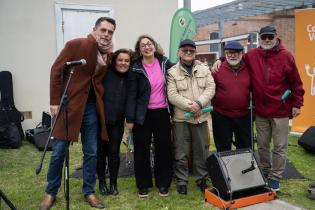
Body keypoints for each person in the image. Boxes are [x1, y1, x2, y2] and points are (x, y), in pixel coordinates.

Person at [212, 26, 304, 192]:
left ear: (276, 37)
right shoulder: (252, 55)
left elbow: (296, 83)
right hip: (260, 111)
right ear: (260, 39)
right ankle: (264, 171)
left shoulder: (286, 56)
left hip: (281, 111)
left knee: (279, 147)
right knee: (262, 145)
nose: (267, 40)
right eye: (264, 37)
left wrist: (297, 104)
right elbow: (235, 57)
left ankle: (275, 177)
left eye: (270, 37)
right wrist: (221, 59)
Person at [39, 17, 116, 210]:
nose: (106, 34)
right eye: (103, 30)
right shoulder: (75, 45)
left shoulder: (109, 54)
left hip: (91, 108)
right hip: (69, 105)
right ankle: (51, 192)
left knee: (91, 152)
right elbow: (56, 70)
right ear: (95, 29)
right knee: (58, 152)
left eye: (110, 32)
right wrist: (54, 101)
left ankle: (89, 191)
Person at [125, 34, 173, 198]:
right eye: (143, 45)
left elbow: (183, 68)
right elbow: (131, 95)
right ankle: (143, 184)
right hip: (142, 115)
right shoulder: (135, 68)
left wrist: (219, 61)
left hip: (162, 112)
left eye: (149, 43)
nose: (147, 47)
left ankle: (163, 183)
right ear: (139, 50)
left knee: (163, 148)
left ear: (154, 45)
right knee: (141, 150)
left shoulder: (165, 63)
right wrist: (130, 119)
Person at [167, 39, 215, 195]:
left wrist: (200, 103)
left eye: (191, 51)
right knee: (181, 152)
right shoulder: (172, 72)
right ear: (179, 52)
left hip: (200, 118)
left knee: (201, 151)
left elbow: (211, 87)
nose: (188, 53)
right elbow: (172, 95)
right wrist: (191, 106)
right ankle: (182, 181)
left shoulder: (204, 69)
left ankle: (201, 179)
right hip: (181, 119)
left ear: (195, 53)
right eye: (185, 50)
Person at [97, 49, 132, 196]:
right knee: (100, 153)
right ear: (114, 60)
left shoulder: (131, 76)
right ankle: (102, 182)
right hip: (100, 121)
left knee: (113, 153)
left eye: (126, 61)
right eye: (120, 60)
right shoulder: (106, 72)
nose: (123, 63)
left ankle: (113, 183)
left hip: (117, 123)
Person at [211, 41, 252, 152]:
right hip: (221, 116)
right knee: (223, 148)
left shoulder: (249, 68)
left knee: (245, 148)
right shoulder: (217, 69)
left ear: (242, 54)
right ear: (225, 54)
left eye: (236, 53)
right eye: (229, 53)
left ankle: (243, 169)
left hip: (243, 115)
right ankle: (225, 169)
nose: (233, 55)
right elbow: (210, 91)